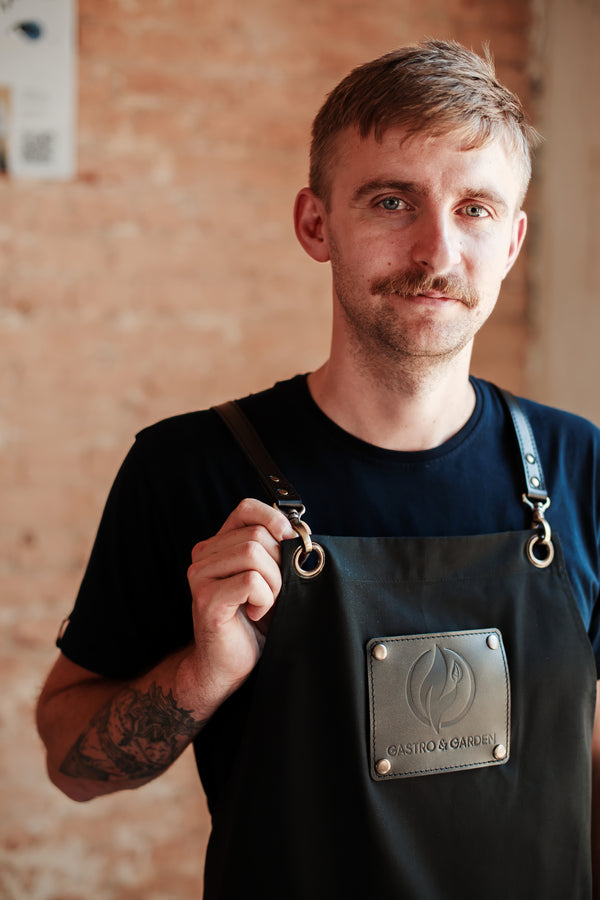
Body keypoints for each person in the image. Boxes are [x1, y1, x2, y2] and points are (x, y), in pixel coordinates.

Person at [37, 39, 600, 899]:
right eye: (392, 201)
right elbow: (73, 767)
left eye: (476, 209)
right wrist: (204, 670)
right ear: (316, 224)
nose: (437, 251)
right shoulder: (186, 468)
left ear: (514, 240)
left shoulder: (579, 467)